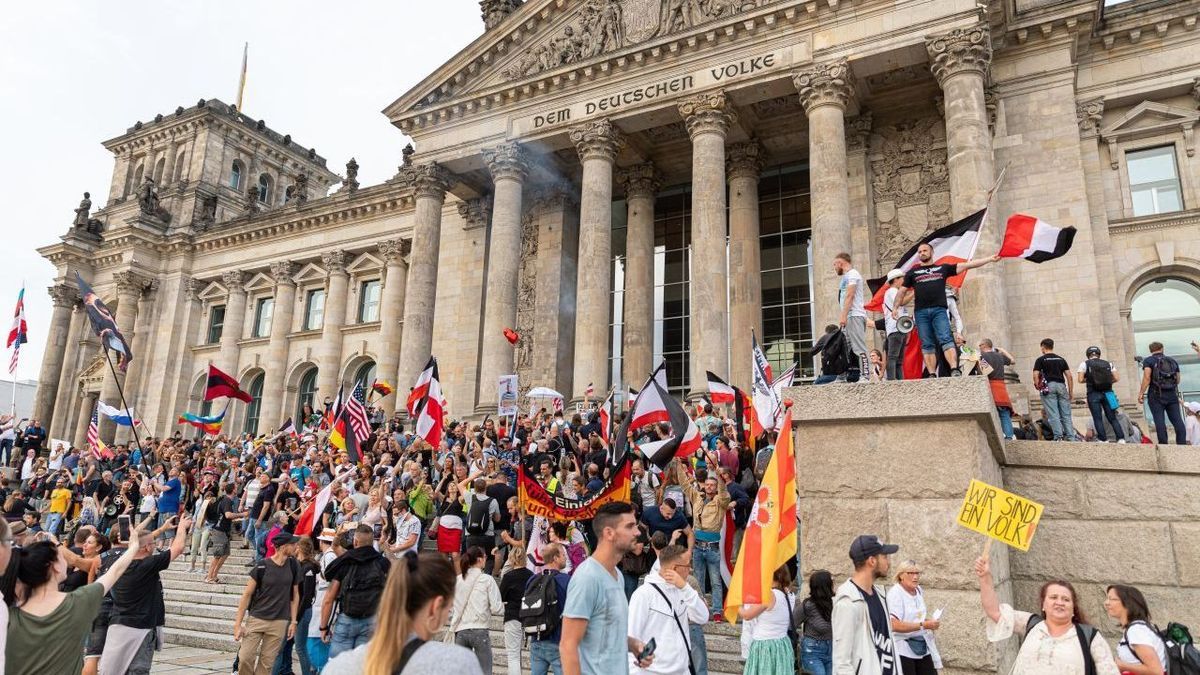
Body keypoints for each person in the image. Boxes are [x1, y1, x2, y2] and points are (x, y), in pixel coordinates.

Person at [5, 525, 141, 675]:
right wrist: (133, 546)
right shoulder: (78, 602)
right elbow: (115, 571)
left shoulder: (9, 614)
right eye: (60, 556)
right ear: (54, 567)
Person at [321, 552, 485, 675]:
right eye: (449, 607)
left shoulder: (339, 666)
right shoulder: (457, 664)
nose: (449, 613)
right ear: (436, 606)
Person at [975, 554, 1118, 674]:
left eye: (1066, 599)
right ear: (1043, 604)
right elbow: (994, 611)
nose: (1059, 602)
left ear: (1073, 607)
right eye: (1053, 597)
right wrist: (985, 577)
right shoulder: (1031, 624)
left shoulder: (1090, 636)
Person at [561, 501, 655, 675]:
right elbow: (568, 645)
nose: (637, 532)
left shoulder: (617, 576)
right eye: (630, 526)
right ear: (609, 533)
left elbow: (604, 633)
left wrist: (633, 645)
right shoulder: (587, 577)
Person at [99, 513, 194, 675]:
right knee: (138, 670)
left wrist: (162, 529)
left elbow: (143, 541)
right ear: (147, 548)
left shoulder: (118, 565)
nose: (154, 546)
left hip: (118, 625)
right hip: (140, 628)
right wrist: (182, 528)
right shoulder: (146, 565)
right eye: (153, 543)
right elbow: (177, 548)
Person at [894, 243, 1000, 376]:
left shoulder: (942, 268)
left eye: (925, 250)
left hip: (939, 310)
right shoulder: (912, 273)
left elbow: (967, 265)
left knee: (946, 339)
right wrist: (895, 307)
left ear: (932, 252)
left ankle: (954, 369)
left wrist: (989, 259)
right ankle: (932, 373)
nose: (922, 253)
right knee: (927, 344)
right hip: (921, 313)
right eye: (919, 252)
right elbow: (902, 291)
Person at [627, 542, 708, 674]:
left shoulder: (683, 589)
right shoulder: (643, 594)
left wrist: (685, 588)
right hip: (653, 671)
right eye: (688, 565)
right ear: (675, 568)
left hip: (683, 670)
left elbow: (703, 617)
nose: (690, 569)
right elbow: (631, 636)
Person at [235, 532, 302, 675]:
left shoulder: (293, 565)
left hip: (279, 621)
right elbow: (247, 595)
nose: (296, 546)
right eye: (293, 544)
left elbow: (295, 595)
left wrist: (294, 621)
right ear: (283, 547)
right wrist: (238, 624)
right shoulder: (262, 566)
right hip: (257, 618)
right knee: (245, 657)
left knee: (267, 664)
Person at [320, 524, 391, 659]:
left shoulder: (346, 561)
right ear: (372, 542)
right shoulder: (382, 563)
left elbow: (329, 599)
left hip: (347, 618)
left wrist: (324, 627)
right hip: (371, 619)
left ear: (355, 541)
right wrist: (385, 547)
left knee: (338, 664)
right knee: (362, 665)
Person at [832, 535, 900, 675]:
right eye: (885, 557)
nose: (888, 562)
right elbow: (842, 663)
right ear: (872, 561)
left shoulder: (880, 595)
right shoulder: (848, 602)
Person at [682, 450, 731, 621]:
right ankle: (700, 608)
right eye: (707, 485)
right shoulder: (697, 498)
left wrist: (720, 480)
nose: (709, 487)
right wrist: (678, 466)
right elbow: (685, 486)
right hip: (697, 545)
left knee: (716, 581)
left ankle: (717, 610)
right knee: (698, 580)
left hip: (712, 548)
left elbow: (725, 495)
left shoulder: (720, 501)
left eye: (713, 485)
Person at [451, 545, 504, 672]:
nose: (486, 559)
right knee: (485, 671)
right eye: (485, 557)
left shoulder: (458, 580)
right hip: (480, 630)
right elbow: (498, 609)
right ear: (480, 559)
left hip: (461, 630)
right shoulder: (487, 580)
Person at [885, 560, 942, 675]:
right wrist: (923, 625)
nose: (915, 577)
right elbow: (893, 624)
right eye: (910, 573)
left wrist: (929, 622)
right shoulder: (896, 594)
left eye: (917, 573)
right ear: (901, 575)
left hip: (922, 645)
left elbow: (915, 617)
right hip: (903, 650)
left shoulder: (918, 590)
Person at [741, 566, 797, 675]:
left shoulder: (769, 595)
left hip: (766, 646)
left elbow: (747, 615)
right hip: (782, 644)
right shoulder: (788, 594)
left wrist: (733, 605)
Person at [1103, 584, 1167, 675]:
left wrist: (1122, 666)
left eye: (1113, 599)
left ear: (1128, 604)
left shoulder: (1136, 630)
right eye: (1107, 598)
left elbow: (1156, 671)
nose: (1106, 603)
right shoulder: (1136, 628)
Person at [1138, 341, 1187, 445]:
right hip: (1172, 394)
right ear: (1162, 348)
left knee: (1159, 420)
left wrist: (1141, 393)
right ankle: (1182, 444)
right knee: (1177, 419)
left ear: (1151, 350)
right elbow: (1177, 380)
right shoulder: (1172, 361)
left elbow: (1147, 377)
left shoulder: (1149, 361)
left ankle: (1163, 444)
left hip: (1156, 394)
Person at [1076, 346, 1125, 443]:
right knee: (1113, 418)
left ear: (1088, 354)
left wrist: (1091, 380)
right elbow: (1116, 378)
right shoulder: (1108, 363)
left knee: (1097, 417)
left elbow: (1080, 379)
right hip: (1109, 393)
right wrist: (1106, 381)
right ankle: (1121, 438)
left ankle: (1103, 439)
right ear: (1099, 354)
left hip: (1093, 394)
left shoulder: (1084, 364)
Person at [834, 252, 869, 381]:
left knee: (859, 346)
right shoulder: (845, 277)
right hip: (848, 316)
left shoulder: (853, 275)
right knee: (844, 346)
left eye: (835, 264)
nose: (834, 267)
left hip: (854, 315)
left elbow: (850, 295)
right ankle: (841, 376)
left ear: (840, 263)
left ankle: (866, 375)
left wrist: (843, 315)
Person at [499, 546, 534, 675]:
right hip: (529, 617)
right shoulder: (532, 575)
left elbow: (501, 597)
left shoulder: (508, 576)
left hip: (512, 615)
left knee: (513, 655)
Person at [1032, 338, 1075, 441]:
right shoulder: (1061, 359)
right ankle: (1071, 437)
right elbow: (1069, 376)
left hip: (1048, 387)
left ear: (1043, 347)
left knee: (1053, 413)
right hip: (1061, 386)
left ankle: (1058, 437)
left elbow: (1035, 375)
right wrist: (1070, 391)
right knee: (1066, 413)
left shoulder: (1040, 360)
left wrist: (1038, 385)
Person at [978, 339, 1016, 439]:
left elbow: (985, 373)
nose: (979, 347)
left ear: (984, 345)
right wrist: (1002, 350)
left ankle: (994, 437)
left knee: (990, 414)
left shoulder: (981, 357)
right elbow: (1013, 361)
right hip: (1001, 388)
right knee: (1004, 414)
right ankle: (1009, 437)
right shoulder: (1000, 356)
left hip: (989, 387)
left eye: (980, 345)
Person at [881, 269, 910, 381]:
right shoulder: (892, 291)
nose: (903, 280)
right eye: (902, 278)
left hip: (898, 328)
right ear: (896, 280)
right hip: (895, 328)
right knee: (893, 357)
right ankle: (892, 381)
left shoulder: (892, 291)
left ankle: (899, 382)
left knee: (898, 360)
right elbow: (901, 302)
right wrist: (913, 293)